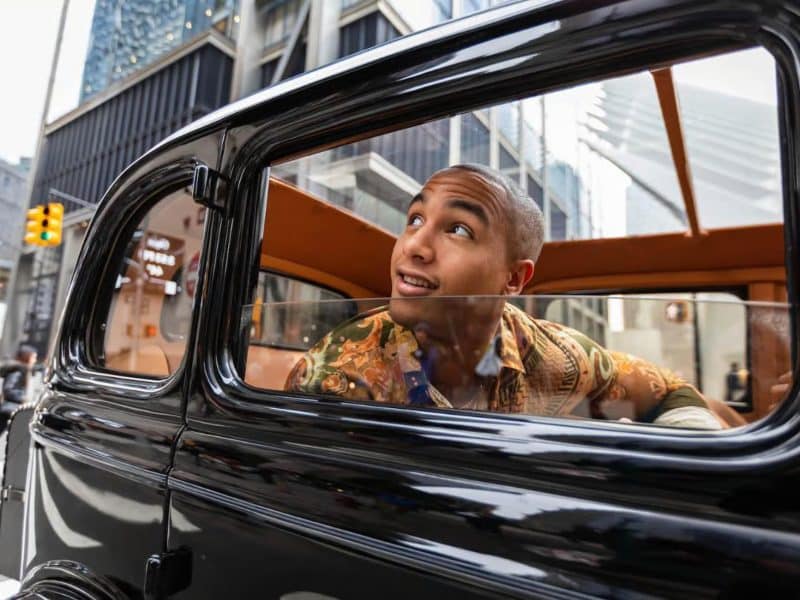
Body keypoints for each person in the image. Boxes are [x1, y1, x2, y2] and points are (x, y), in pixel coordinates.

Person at [285, 164, 721, 429]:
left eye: (458, 229)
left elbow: (669, 390)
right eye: (415, 218)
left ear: (513, 279)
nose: (413, 245)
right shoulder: (338, 378)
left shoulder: (556, 358)